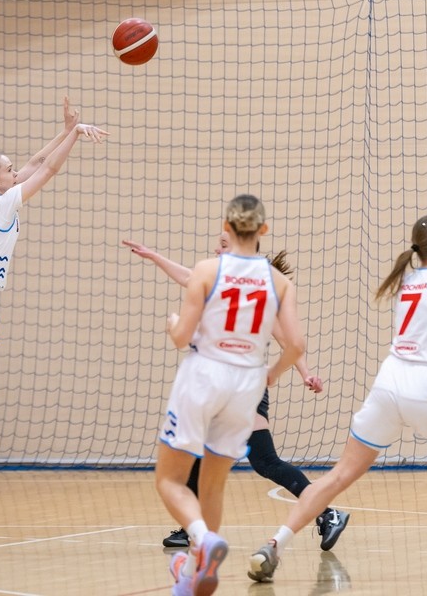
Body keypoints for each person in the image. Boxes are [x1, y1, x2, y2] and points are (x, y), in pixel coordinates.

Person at [248, 213, 427, 583]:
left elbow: (424, 342)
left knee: (340, 474)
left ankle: (274, 545)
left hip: (389, 384)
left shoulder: (407, 281)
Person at [0, 97, 108, 511]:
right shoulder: (4, 201)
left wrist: (67, 130)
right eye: (9, 170)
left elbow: (37, 161)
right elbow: (48, 169)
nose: (15, 171)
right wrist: (74, 137)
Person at [123, 236, 350, 552]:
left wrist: (304, 373)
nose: (216, 249)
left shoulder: (259, 288)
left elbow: (290, 341)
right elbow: (187, 277)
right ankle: (193, 528)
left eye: (223, 244)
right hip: (229, 385)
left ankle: (325, 512)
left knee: (262, 460)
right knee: (213, 454)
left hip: (241, 386)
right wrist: (155, 256)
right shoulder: (220, 278)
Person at [155, 194, 305, 595]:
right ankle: (194, 574)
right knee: (213, 484)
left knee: (169, 480)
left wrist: (172, 323)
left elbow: (182, 337)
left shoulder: (208, 270)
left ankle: (203, 539)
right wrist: (271, 374)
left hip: (205, 374)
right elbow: (296, 345)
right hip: (247, 383)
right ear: (263, 229)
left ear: (227, 226)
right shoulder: (279, 282)